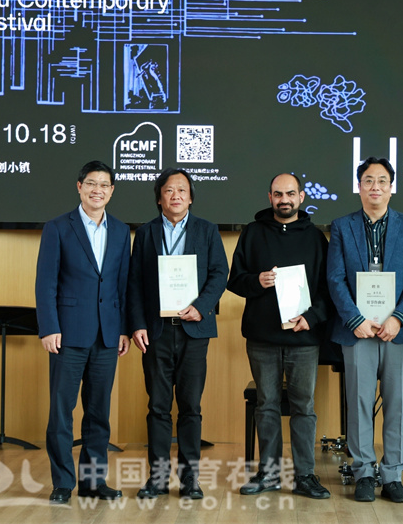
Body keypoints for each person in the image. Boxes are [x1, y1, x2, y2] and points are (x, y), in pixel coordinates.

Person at [227, 173, 333, 499]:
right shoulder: (252, 233)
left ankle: (305, 476)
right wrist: (256, 281)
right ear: (270, 197)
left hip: (304, 339)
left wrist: (311, 318)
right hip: (262, 338)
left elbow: (329, 290)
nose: (283, 199)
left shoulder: (316, 238)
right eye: (277, 194)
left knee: (304, 408)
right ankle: (269, 474)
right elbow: (235, 280)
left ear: (301, 197)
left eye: (290, 193)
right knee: (267, 406)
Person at [326, 157, 403, 503]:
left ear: (391, 187)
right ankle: (364, 472)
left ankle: (393, 474)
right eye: (368, 180)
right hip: (357, 330)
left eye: (382, 181)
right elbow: (335, 278)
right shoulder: (342, 226)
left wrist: (399, 317)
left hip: (397, 328)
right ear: (359, 187)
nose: (375, 187)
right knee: (359, 402)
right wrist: (355, 319)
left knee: (397, 403)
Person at [127, 168, 228, 500]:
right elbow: (135, 282)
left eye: (182, 190)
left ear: (191, 197)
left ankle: (190, 480)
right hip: (156, 332)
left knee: (190, 406)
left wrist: (201, 306)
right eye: (169, 190)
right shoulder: (146, 233)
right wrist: (137, 324)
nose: (176, 196)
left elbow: (219, 273)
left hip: (194, 331)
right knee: (158, 406)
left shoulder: (207, 230)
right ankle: (157, 479)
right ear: (159, 198)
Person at [35, 160, 131, 504]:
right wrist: (49, 327)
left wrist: (123, 329)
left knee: (98, 413)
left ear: (111, 191)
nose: (97, 190)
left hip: (108, 335)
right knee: (62, 413)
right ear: (79, 187)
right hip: (68, 335)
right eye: (91, 183)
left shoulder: (121, 230)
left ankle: (93, 481)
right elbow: (45, 282)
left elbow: (122, 284)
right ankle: (63, 482)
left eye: (104, 185)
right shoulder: (58, 227)